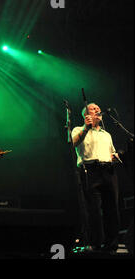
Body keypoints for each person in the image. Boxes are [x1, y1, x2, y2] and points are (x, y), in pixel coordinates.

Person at [72, 102, 120, 253]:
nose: (98, 110)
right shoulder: (78, 129)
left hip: (108, 171)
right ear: (86, 115)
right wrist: (86, 128)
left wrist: (115, 157)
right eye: (93, 108)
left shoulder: (106, 134)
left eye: (98, 108)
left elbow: (111, 153)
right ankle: (96, 243)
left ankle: (112, 243)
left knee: (112, 208)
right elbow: (72, 143)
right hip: (90, 170)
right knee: (94, 209)